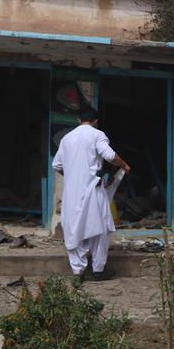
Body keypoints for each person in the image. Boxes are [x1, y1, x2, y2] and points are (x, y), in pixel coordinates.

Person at [52, 108, 131, 281]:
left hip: (71, 193)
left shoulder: (67, 138)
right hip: (92, 190)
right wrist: (123, 164)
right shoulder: (97, 135)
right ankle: (98, 269)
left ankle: (77, 272)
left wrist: (74, 175)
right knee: (100, 229)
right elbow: (109, 155)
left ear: (79, 120)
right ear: (95, 121)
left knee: (74, 230)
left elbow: (57, 165)